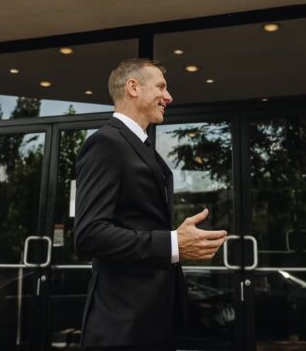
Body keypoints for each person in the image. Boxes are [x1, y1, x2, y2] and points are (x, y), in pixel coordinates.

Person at [75, 58, 228, 351]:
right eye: (161, 86)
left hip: (153, 321)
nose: (168, 96)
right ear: (133, 87)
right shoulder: (106, 143)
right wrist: (172, 244)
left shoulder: (141, 146)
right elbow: (89, 234)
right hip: (123, 326)